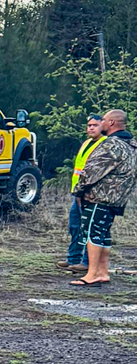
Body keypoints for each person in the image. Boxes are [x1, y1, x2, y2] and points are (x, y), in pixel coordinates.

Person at [71, 109, 137, 288]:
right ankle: (102, 272)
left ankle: (91, 274)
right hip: (117, 199)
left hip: (99, 197)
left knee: (93, 234)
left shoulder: (111, 145)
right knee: (103, 234)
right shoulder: (132, 145)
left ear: (112, 123)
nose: (102, 123)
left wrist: (78, 191)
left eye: (104, 120)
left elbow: (91, 172)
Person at [60, 116, 105, 271]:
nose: (91, 128)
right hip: (78, 193)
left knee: (89, 228)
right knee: (74, 227)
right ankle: (73, 258)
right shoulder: (86, 143)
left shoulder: (104, 144)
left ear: (102, 126)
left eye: (95, 125)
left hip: (91, 195)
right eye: (89, 125)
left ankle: (87, 262)